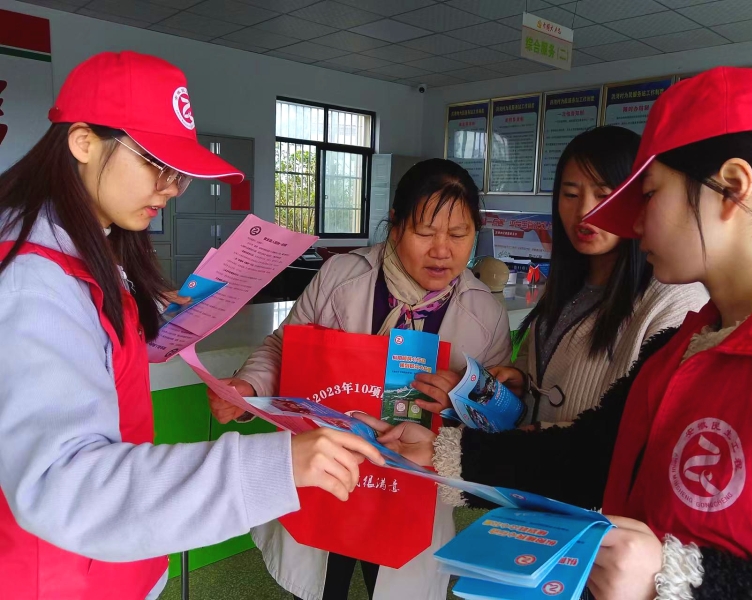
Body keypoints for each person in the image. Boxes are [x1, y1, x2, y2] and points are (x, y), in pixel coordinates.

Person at [360, 66, 752, 599]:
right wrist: (442, 453)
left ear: (730, 189)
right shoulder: (681, 347)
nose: (632, 226)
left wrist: (679, 579)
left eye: (650, 195)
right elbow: (590, 455)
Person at [0, 51, 383, 600]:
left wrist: (143, 308)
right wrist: (276, 466)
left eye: (178, 171)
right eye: (156, 164)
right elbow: (63, 484)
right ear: (83, 142)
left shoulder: (85, 250)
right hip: (58, 576)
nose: (173, 188)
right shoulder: (33, 283)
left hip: (102, 563)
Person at [208, 158, 512, 600]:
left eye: (459, 234)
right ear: (395, 227)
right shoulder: (340, 277)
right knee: (321, 580)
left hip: (411, 485)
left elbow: (496, 419)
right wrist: (248, 387)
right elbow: (285, 346)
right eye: (425, 232)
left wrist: (462, 399)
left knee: (391, 584)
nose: (442, 250)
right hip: (330, 467)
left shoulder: (484, 314)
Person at [412, 126, 707, 429]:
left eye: (604, 194)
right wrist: (518, 385)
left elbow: (642, 431)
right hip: (526, 471)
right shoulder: (567, 286)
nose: (585, 211)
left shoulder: (676, 301)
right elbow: (536, 393)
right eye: (571, 194)